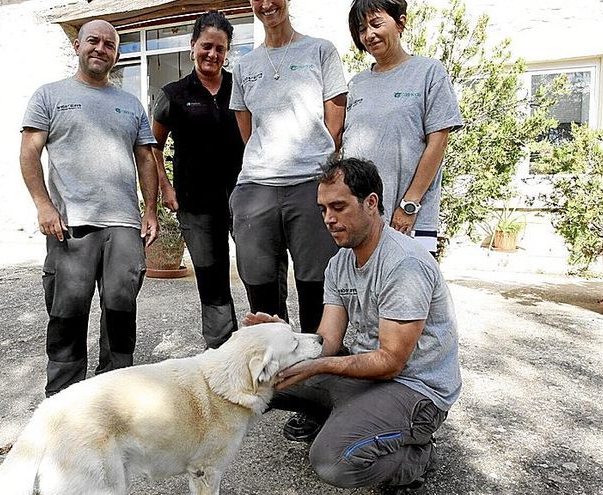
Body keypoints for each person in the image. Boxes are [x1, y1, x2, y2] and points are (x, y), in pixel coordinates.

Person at [246, 157, 461, 493]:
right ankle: (349, 419)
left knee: (334, 462)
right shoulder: (340, 262)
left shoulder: (404, 265)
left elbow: (390, 362)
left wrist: (322, 365)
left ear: (370, 202)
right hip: (366, 379)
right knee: (256, 374)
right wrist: (282, 338)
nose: (329, 219)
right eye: (323, 209)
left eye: (339, 207)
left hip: (414, 389)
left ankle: (417, 455)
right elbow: (326, 341)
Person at [20, 19, 159, 397]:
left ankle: (112, 397)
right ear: (77, 46)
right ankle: (62, 403)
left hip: (124, 227)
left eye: (110, 44)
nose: (101, 48)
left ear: (116, 53)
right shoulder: (49, 95)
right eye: (93, 41)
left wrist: (150, 211)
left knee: (120, 315)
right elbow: (29, 152)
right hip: (71, 226)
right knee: (67, 316)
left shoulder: (130, 104)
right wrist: (43, 206)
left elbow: (146, 158)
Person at [229, 0, 347, 334]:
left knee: (316, 284)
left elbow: (335, 120)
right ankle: (276, 372)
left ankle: (315, 367)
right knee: (260, 285)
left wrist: (316, 161)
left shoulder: (320, 51)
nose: (267, 4)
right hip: (256, 187)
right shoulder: (244, 64)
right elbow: (245, 125)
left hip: (311, 183)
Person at [151, 11, 244, 349]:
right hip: (196, 205)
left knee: (260, 271)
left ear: (227, 51)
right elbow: (152, 147)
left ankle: (271, 345)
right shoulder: (173, 94)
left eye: (220, 49)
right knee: (212, 277)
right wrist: (166, 186)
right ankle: (222, 350)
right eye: (206, 46)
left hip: (245, 198)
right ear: (192, 46)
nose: (213, 55)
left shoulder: (241, 86)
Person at [343, 0, 463, 256]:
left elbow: (438, 141)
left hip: (410, 218)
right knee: (362, 292)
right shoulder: (357, 84)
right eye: (362, 29)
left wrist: (410, 204)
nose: (369, 35)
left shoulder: (429, 72)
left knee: (410, 292)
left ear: (400, 22)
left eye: (376, 24)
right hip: (362, 221)